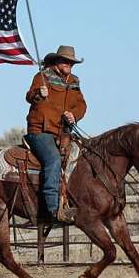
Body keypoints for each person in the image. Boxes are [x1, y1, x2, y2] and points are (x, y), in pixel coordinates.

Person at [24, 45, 87, 223]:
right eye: (66, 61)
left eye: (72, 62)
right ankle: (53, 210)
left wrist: (74, 115)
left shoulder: (74, 81)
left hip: (64, 133)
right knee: (53, 159)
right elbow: (29, 96)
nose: (69, 65)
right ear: (57, 61)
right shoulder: (42, 77)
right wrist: (38, 93)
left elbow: (82, 105)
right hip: (40, 132)